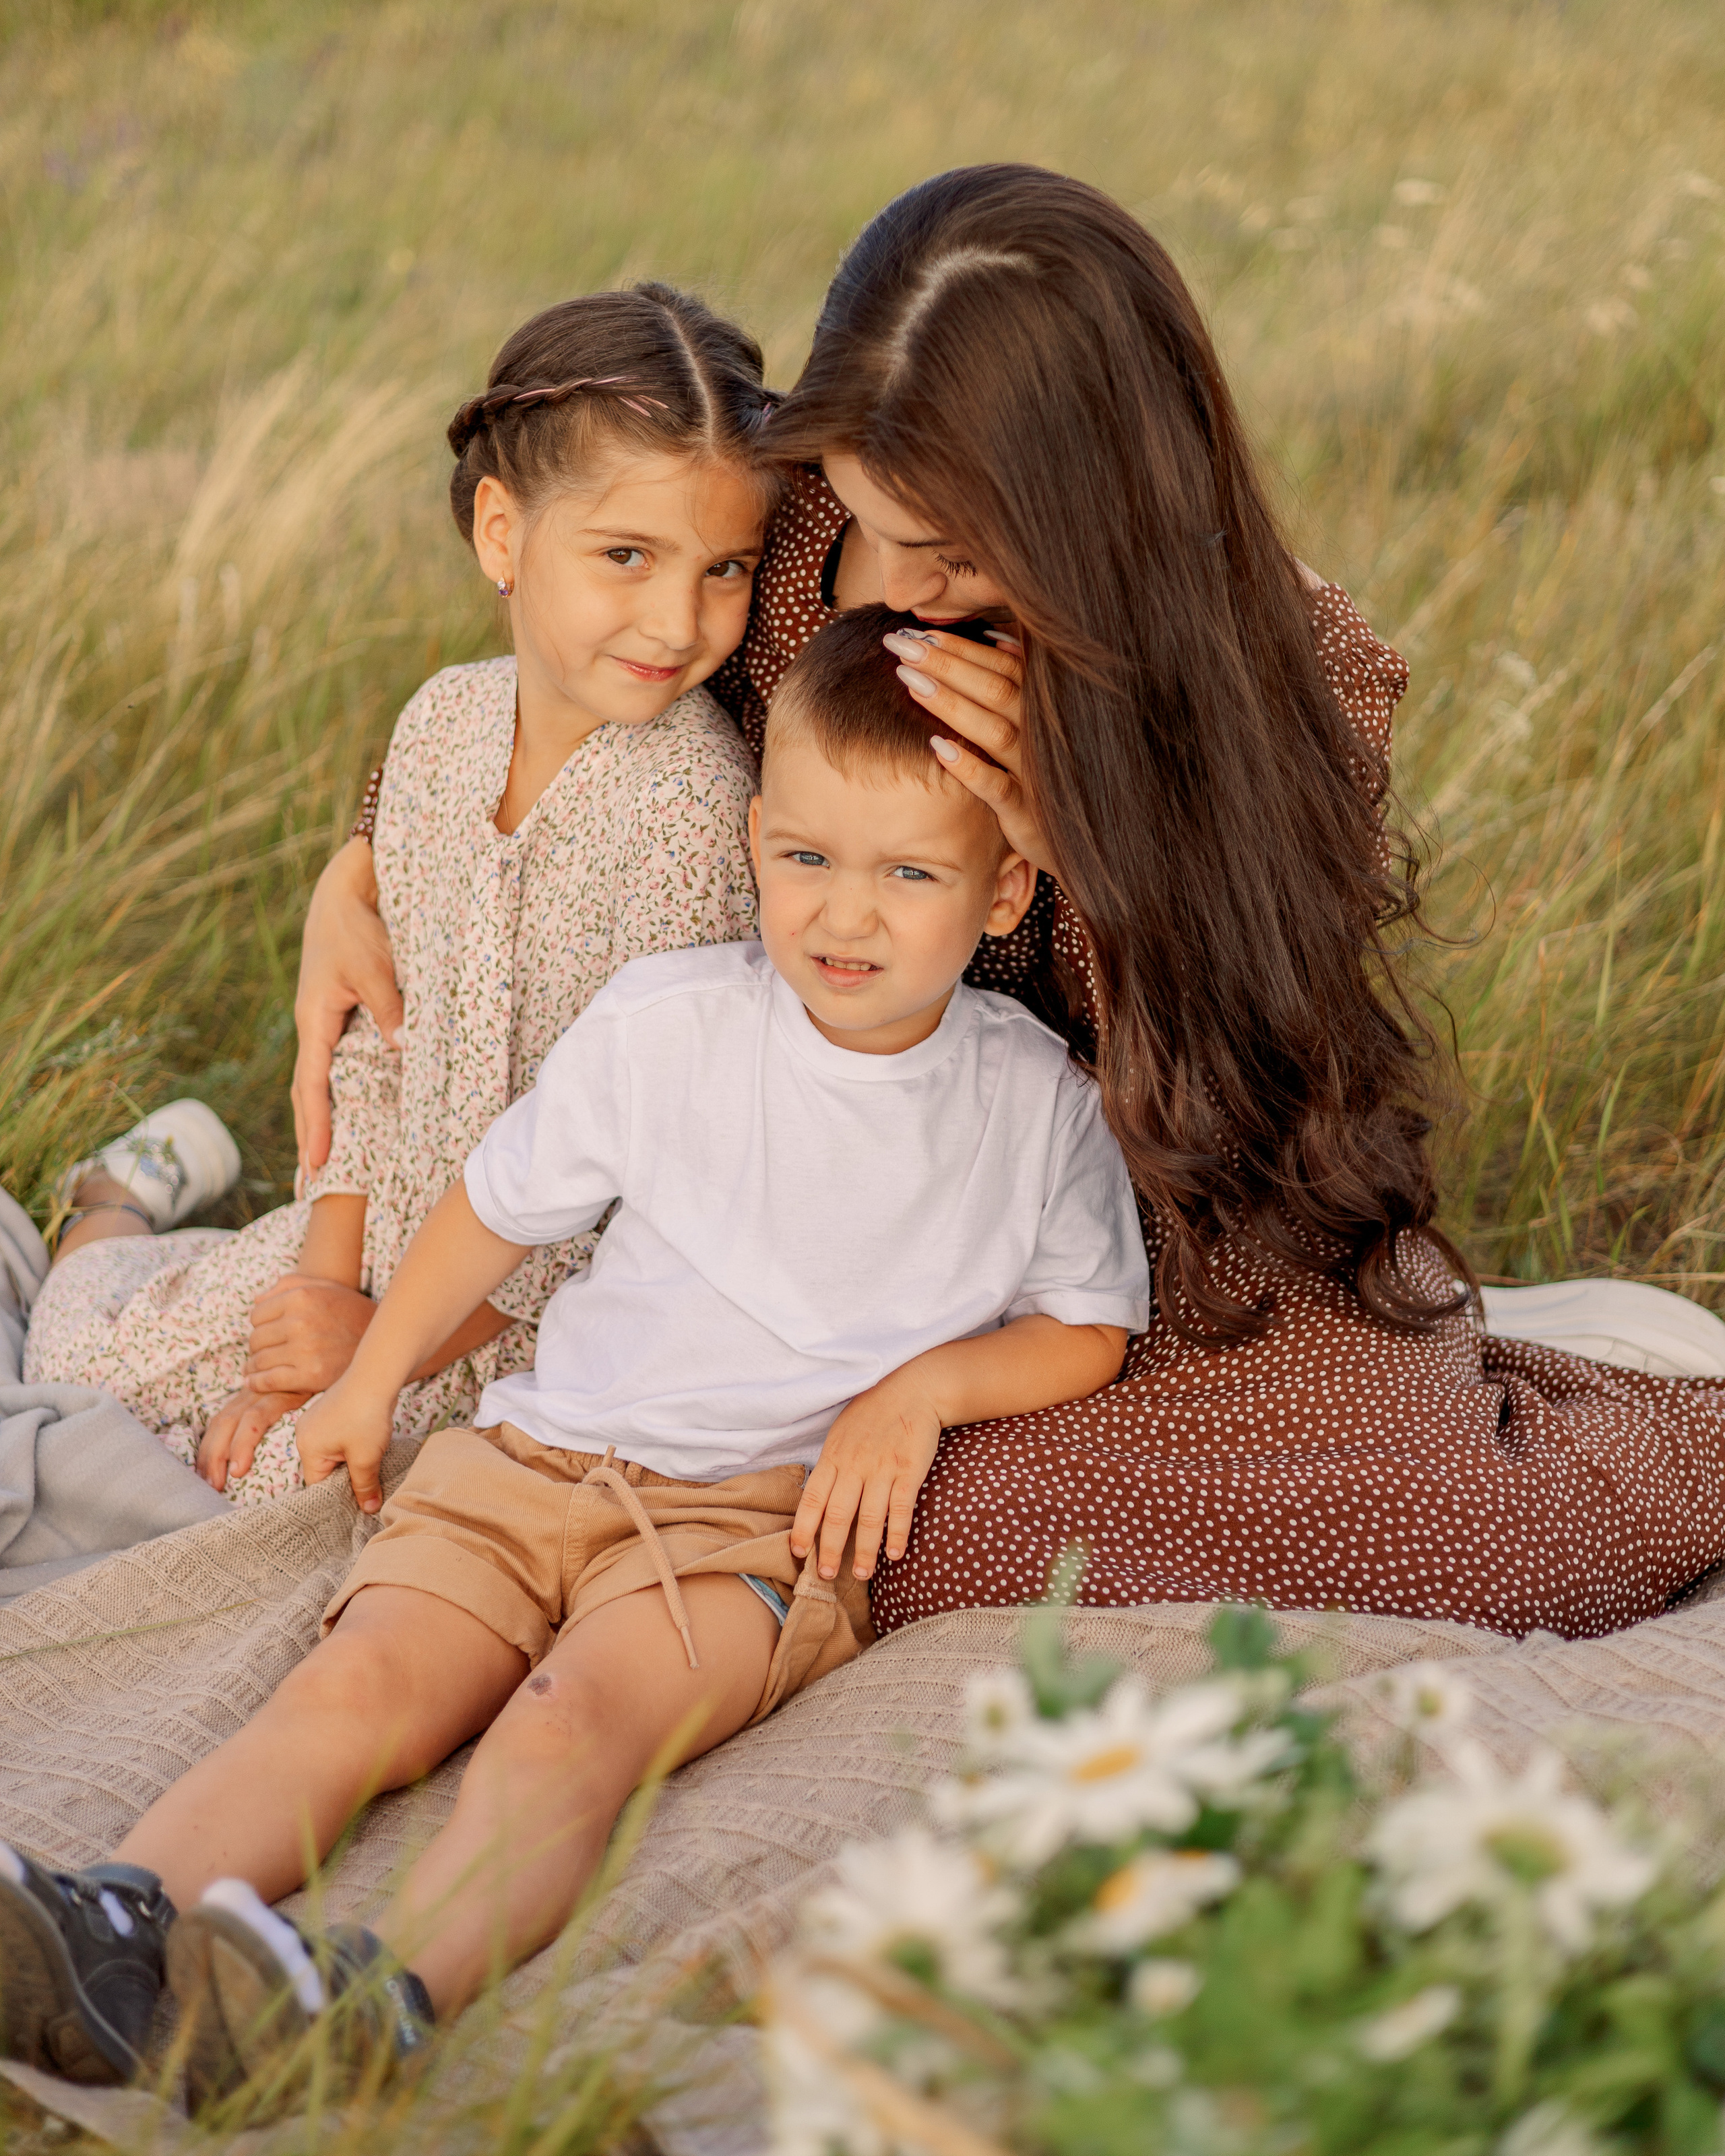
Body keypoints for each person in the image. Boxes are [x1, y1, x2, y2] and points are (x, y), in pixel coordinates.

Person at [299, 165, 1725, 1642]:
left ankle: (1666, 1446)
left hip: (1168, 1217)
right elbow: (580, 656)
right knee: (867, 1528)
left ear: (1092, 511)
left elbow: (1270, 1074)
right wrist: (364, 862)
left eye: (960, 552)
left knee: (1448, 1545)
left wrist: (1094, 842)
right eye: (877, 524)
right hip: (864, 1214)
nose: (903, 586)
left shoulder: (1283, 662)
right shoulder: (787, 531)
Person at [0, 606, 1148, 2099]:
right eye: (806, 856)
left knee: (568, 1727)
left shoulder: (1035, 1107)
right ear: (756, 840)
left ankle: (373, 1994)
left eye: (907, 874)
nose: (844, 916)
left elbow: (1089, 1324)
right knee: (359, 1685)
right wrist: (370, 1380)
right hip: (533, 1459)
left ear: (1004, 889)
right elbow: (492, 1211)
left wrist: (921, 1392)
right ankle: (118, 1916)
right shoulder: (671, 1027)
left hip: (744, 1528)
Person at [23, 285, 767, 1503]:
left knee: (281, 1487)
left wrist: (375, 1350)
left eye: (724, 568)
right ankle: (118, 1194)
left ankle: (189, 1257)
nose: (678, 620)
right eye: (626, 556)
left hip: (525, 1315)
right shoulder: (442, 727)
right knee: (78, 1357)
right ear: (502, 534)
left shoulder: (691, 808)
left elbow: (633, 1185)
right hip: (371, 1241)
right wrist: (322, 1294)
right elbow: (379, 1045)